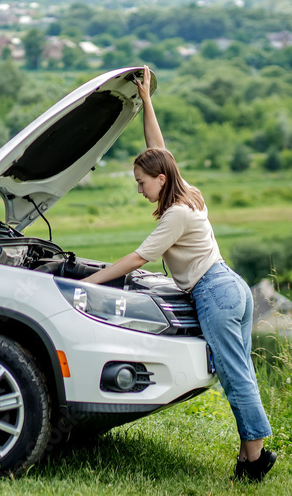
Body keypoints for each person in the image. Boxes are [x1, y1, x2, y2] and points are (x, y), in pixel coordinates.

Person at [81, 66, 276, 483]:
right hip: (232, 286)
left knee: (234, 374)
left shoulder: (175, 214)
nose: (139, 190)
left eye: (141, 183)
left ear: (160, 180)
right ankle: (248, 460)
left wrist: (85, 284)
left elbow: (137, 259)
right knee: (240, 370)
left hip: (215, 294)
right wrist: (146, 99)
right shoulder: (189, 192)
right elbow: (159, 149)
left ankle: (256, 461)